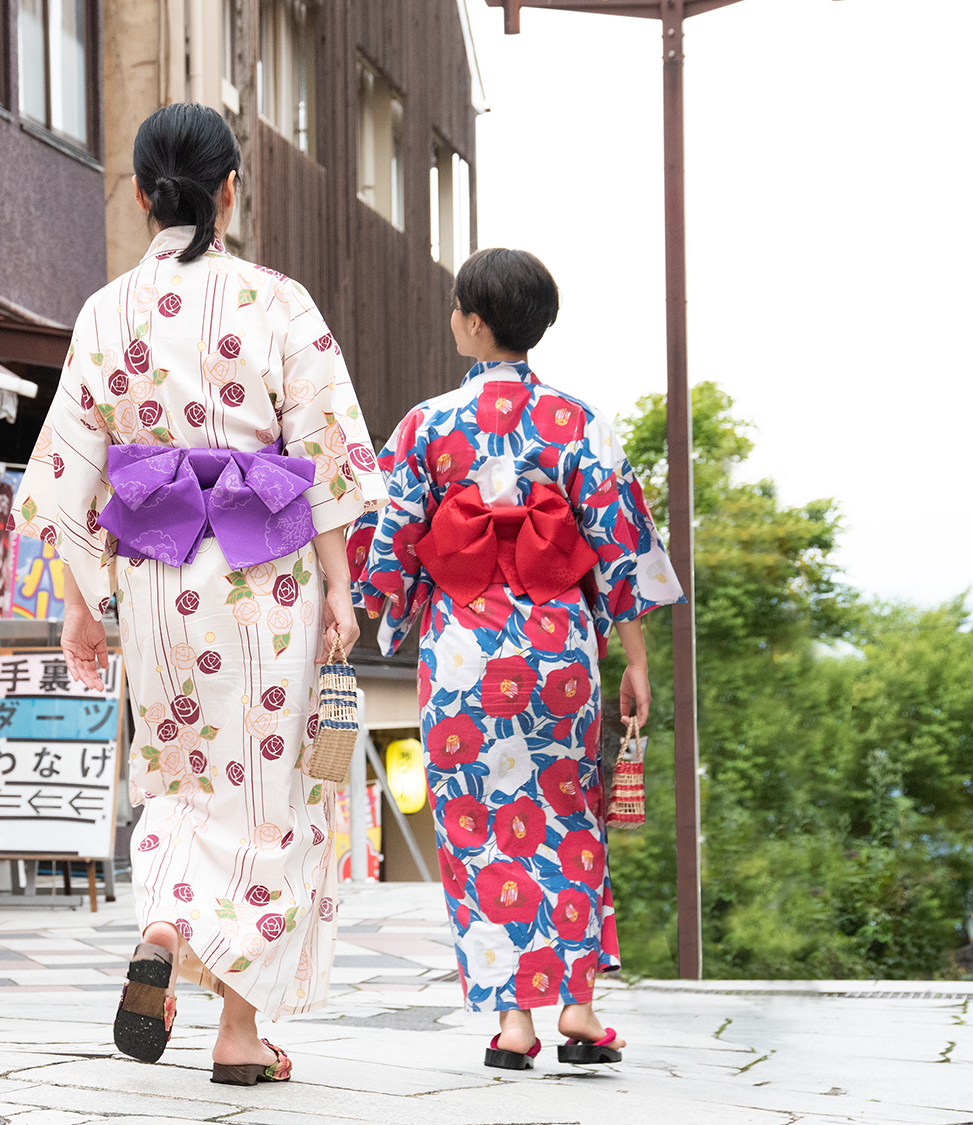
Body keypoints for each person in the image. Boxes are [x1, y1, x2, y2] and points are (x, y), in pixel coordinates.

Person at [14, 103, 387, 1086]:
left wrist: (81, 600)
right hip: (266, 576)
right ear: (231, 188)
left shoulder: (106, 312)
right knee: (265, 795)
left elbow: (67, 471)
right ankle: (237, 1034)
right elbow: (327, 455)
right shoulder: (276, 301)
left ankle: (164, 919)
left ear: (139, 193)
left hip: (156, 574)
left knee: (175, 777)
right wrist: (343, 588)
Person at [350, 247, 685, 1070]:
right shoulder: (580, 423)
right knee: (568, 817)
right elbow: (619, 544)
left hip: (463, 656)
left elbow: (387, 546)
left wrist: (358, 613)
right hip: (558, 653)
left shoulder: (426, 425)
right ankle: (577, 1007)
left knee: (479, 829)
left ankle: (513, 1025)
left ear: (469, 319)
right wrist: (635, 656)